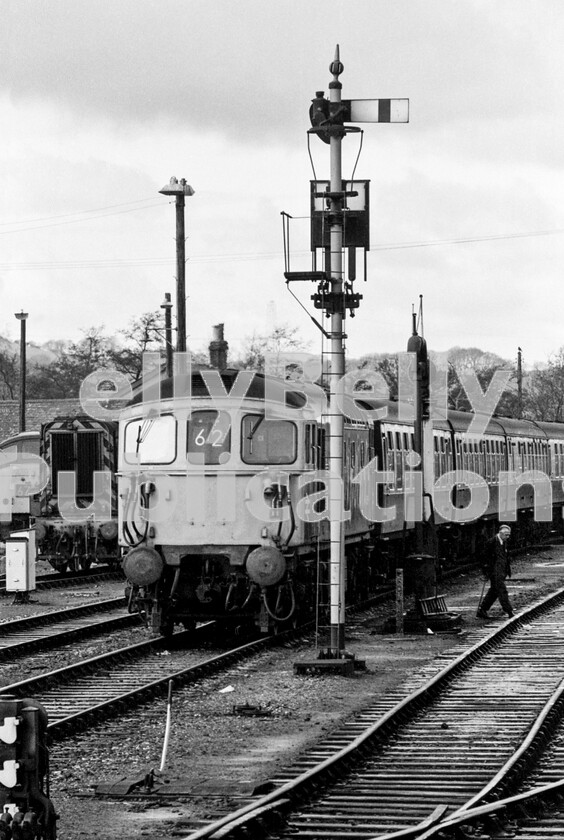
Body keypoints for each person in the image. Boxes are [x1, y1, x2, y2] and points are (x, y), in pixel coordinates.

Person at [477, 525, 514, 619]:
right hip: (494, 571)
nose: (508, 537)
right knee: (502, 590)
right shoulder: (491, 542)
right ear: (500, 534)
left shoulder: (504, 542)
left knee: (494, 591)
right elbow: (484, 558)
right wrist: (485, 572)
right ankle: (509, 611)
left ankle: (482, 610)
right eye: (506, 535)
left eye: (509, 535)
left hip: (501, 571)